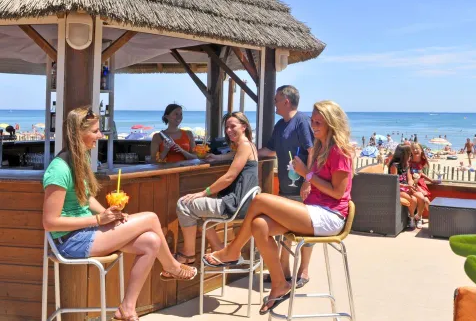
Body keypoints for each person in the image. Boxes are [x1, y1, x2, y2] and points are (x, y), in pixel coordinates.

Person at [43, 107, 196, 321]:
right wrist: (98, 219)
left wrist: (106, 213)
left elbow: (86, 198)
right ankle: (171, 266)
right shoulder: (59, 169)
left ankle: (127, 308)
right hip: (70, 241)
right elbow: (50, 223)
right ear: (79, 133)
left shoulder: (79, 160)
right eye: (96, 131)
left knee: (151, 242)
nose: (100, 135)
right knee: (151, 218)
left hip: (87, 231)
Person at [202, 101, 353, 314]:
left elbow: (338, 192)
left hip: (330, 216)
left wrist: (306, 175)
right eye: (312, 121)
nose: (313, 126)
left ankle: (232, 251)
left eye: (318, 122)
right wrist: (307, 176)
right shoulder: (321, 148)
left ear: (331, 123)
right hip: (313, 211)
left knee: (261, 200)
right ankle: (279, 283)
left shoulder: (339, 151)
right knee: (259, 225)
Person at [175, 112, 259, 263]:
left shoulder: (244, 146)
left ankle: (188, 254)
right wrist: (218, 157)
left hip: (235, 205)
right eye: (227, 127)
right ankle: (220, 249)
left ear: (244, 126)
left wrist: (203, 192)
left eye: (233, 126)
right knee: (196, 213)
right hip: (244, 205)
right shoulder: (248, 146)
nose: (228, 130)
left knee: (183, 204)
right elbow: (234, 155)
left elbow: (229, 177)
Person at [258, 85, 314, 287]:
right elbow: (270, 150)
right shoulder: (280, 125)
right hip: (284, 185)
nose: (274, 103)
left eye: (276, 100)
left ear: (286, 101)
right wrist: (246, 152)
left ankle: (304, 271)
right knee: (284, 228)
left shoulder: (302, 122)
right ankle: (284, 270)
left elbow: (312, 150)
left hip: (303, 187)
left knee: (305, 229)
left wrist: (308, 179)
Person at [389, 144, 424, 228]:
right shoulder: (394, 165)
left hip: (406, 187)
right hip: (397, 189)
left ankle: (418, 217)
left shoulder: (406, 164)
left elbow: (410, 179)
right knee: (414, 199)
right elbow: (394, 182)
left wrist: (411, 185)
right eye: (409, 153)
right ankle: (411, 218)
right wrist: (407, 186)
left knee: (422, 198)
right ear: (404, 154)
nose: (411, 154)